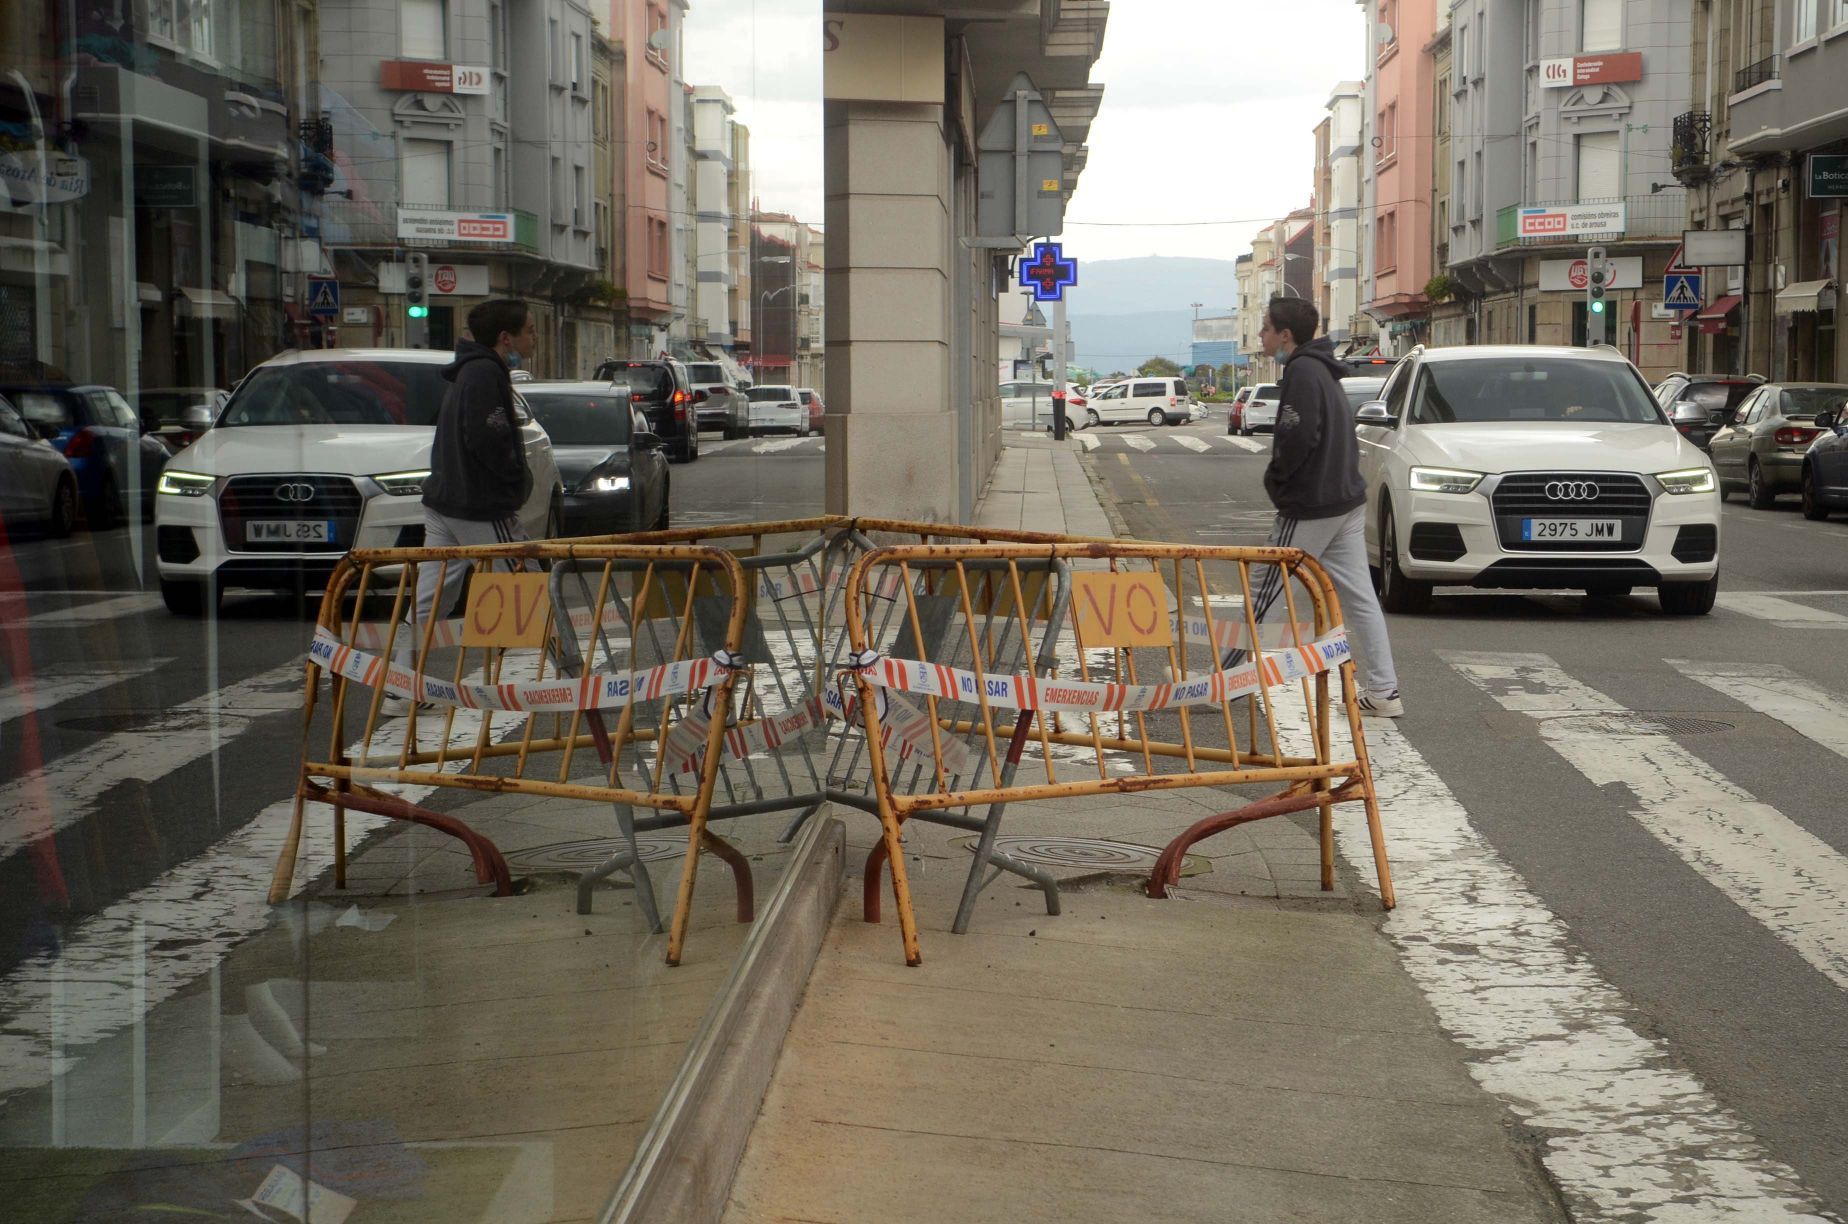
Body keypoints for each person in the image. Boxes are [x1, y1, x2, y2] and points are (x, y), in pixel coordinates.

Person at [1226, 296, 1402, 718]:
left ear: (1285, 335)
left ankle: (1224, 682)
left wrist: (1279, 483)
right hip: (1345, 500)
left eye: (1266, 328)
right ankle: (1384, 691)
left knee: (1262, 592)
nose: (1262, 336)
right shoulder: (1323, 368)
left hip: (1312, 504)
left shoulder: (1303, 372)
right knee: (1361, 597)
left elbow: (1296, 437)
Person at [384, 299, 538, 712]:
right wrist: (513, 482)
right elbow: (488, 436)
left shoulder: (467, 371)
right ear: (506, 338)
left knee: (429, 601)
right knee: (531, 588)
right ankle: (572, 687)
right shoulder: (486, 372)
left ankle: (400, 688)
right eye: (529, 330)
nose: (533, 337)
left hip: (445, 501)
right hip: (478, 505)